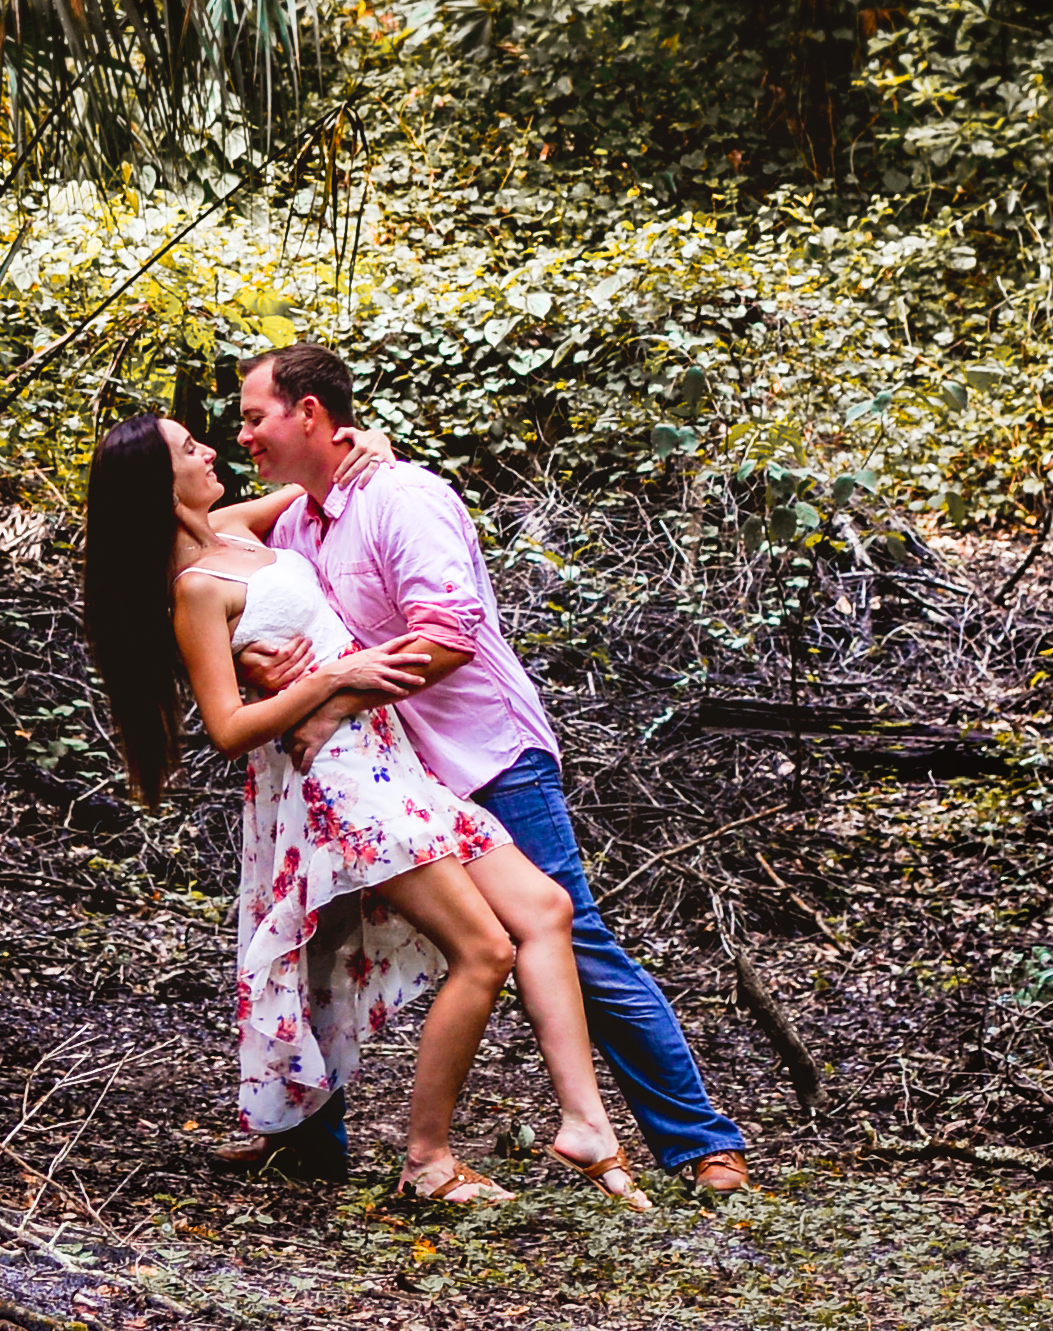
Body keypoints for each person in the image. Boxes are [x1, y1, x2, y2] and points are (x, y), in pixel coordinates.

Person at [78, 410, 650, 1208]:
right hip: (338, 781)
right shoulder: (197, 588)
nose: (211, 450)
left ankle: (584, 1124)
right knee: (484, 951)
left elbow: (317, 484)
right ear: (154, 484)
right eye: (188, 448)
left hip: (391, 759)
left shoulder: (231, 530)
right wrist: (320, 685)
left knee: (546, 909)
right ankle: (427, 1161)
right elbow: (228, 730)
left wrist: (371, 445)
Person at [223, 344, 757, 1197]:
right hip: (383, 779)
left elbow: (448, 632)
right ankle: (302, 1137)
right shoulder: (295, 525)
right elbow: (213, 555)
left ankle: (698, 1144)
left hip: (483, 756)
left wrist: (333, 700)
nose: (243, 433)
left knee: (569, 937)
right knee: (321, 940)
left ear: (311, 414)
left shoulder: (403, 497)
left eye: (256, 416)